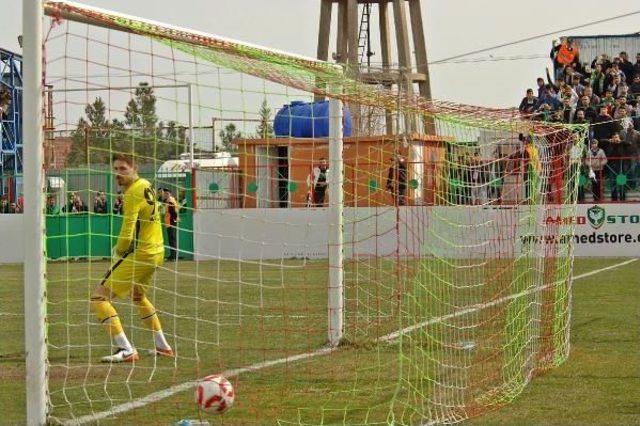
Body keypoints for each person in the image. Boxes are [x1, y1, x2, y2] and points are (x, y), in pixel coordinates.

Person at [90, 154, 173, 363]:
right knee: (137, 296)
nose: (118, 173)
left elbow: (128, 230)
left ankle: (126, 349)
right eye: (116, 169)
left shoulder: (132, 192)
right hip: (157, 251)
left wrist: (119, 250)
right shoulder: (146, 184)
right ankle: (163, 346)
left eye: (123, 169)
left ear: (135, 168)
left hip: (143, 253)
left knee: (99, 298)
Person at [161, 188, 179, 261]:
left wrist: (174, 220)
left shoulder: (170, 201)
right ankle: (172, 256)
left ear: (169, 194)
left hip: (171, 222)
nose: (165, 194)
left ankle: (174, 257)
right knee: (171, 239)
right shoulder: (169, 200)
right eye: (165, 193)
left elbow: (174, 212)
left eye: (167, 193)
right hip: (169, 222)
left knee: (172, 239)